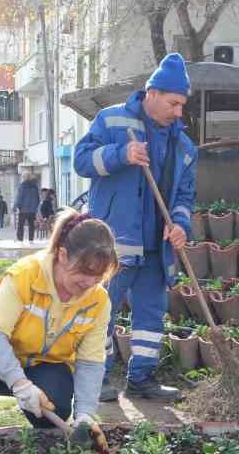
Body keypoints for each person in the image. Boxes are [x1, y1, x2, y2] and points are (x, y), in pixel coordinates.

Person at [0, 209, 114, 447]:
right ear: (63, 255)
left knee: (55, 407)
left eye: (97, 278)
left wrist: (85, 414)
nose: (88, 283)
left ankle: (43, 444)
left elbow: (91, 362)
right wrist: (19, 383)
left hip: (45, 372)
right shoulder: (25, 275)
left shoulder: (98, 301)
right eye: (84, 273)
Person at [74, 52, 197, 404]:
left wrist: (181, 225)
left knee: (150, 316)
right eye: (174, 103)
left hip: (158, 249)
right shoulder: (112, 121)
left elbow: (185, 195)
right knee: (102, 310)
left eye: (182, 104)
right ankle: (97, 377)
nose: (179, 112)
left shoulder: (184, 146)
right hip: (112, 243)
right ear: (152, 93)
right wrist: (121, 155)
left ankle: (142, 378)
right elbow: (83, 161)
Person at [15, 172, 40, 242]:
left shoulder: (22, 186)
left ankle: (20, 239)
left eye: (23, 177)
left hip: (23, 209)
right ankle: (31, 239)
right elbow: (38, 198)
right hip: (32, 210)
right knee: (31, 224)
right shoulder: (34, 186)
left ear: (24, 177)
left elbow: (19, 197)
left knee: (20, 225)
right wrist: (35, 207)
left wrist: (18, 206)